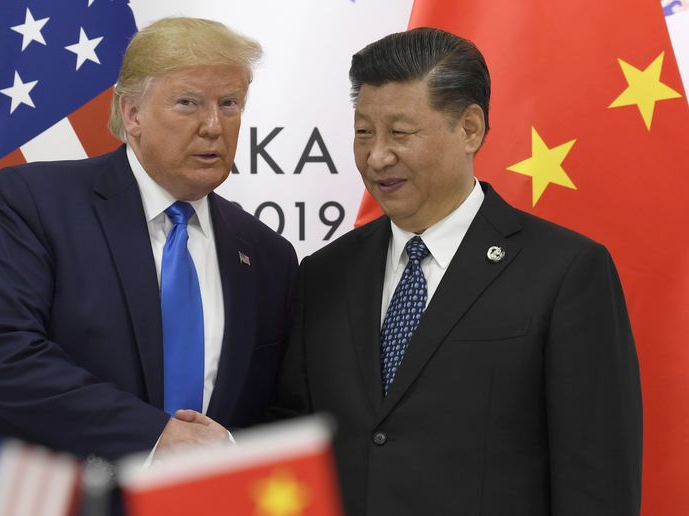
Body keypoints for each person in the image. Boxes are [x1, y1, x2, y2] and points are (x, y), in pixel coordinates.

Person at [270, 27, 642, 515]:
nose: (377, 156)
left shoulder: (567, 272)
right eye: (364, 132)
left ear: (470, 128)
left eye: (401, 133)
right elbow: (295, 443)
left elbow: (597, 481)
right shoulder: (324, 274)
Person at [0, 17, 298, 462]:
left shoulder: (268, 255)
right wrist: (156, 437)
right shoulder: (34, 203)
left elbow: (275, 407)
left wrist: (226, 451)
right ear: (133, 114)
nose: (213, 125)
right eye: (188, 103)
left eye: (229, 104)